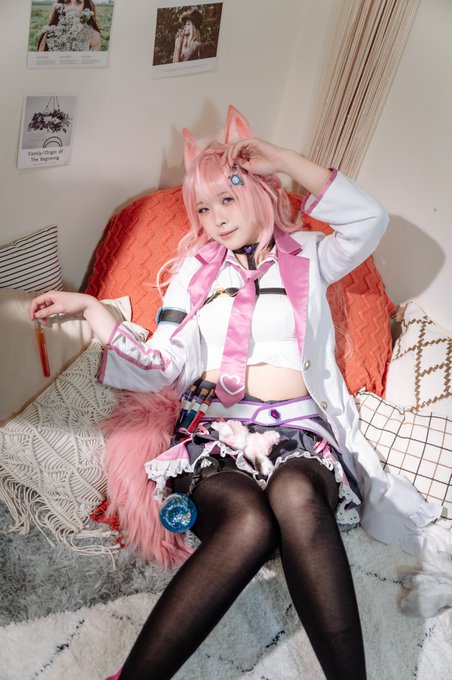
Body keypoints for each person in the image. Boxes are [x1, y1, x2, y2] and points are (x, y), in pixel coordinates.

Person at [30, 106, 441, 680]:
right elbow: (159, 365)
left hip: (301, 433)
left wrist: (280, 158)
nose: (215, 218)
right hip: (218, 435)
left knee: (296, 495)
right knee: (249, 523)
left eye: (227, 198)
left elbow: (368, 219)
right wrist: (94, 312)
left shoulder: (309, 257)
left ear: (261, 192)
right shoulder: (194, 274)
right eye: (203, 207)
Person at [37, 0, 101, 52]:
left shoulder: (93, 35)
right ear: (61, 6)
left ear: (85, 5)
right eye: (67, 2)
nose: (72, 8)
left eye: (78, 2)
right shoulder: (50, 32)